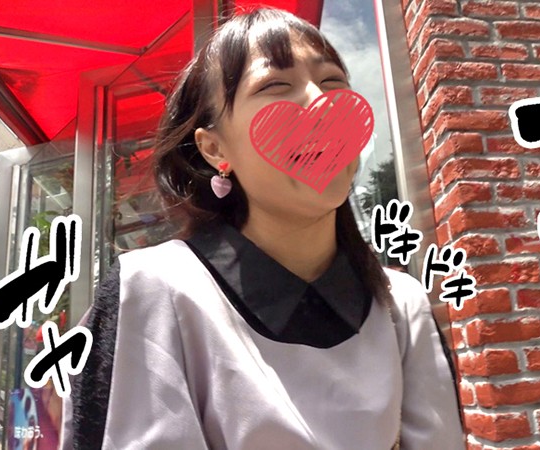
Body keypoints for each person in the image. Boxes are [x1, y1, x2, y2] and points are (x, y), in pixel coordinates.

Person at [59, 7, 464, 450]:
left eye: (333, 81)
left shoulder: (401, 304)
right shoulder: (153, 292)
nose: (320, 102)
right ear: (214, 148)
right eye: (275, 85)